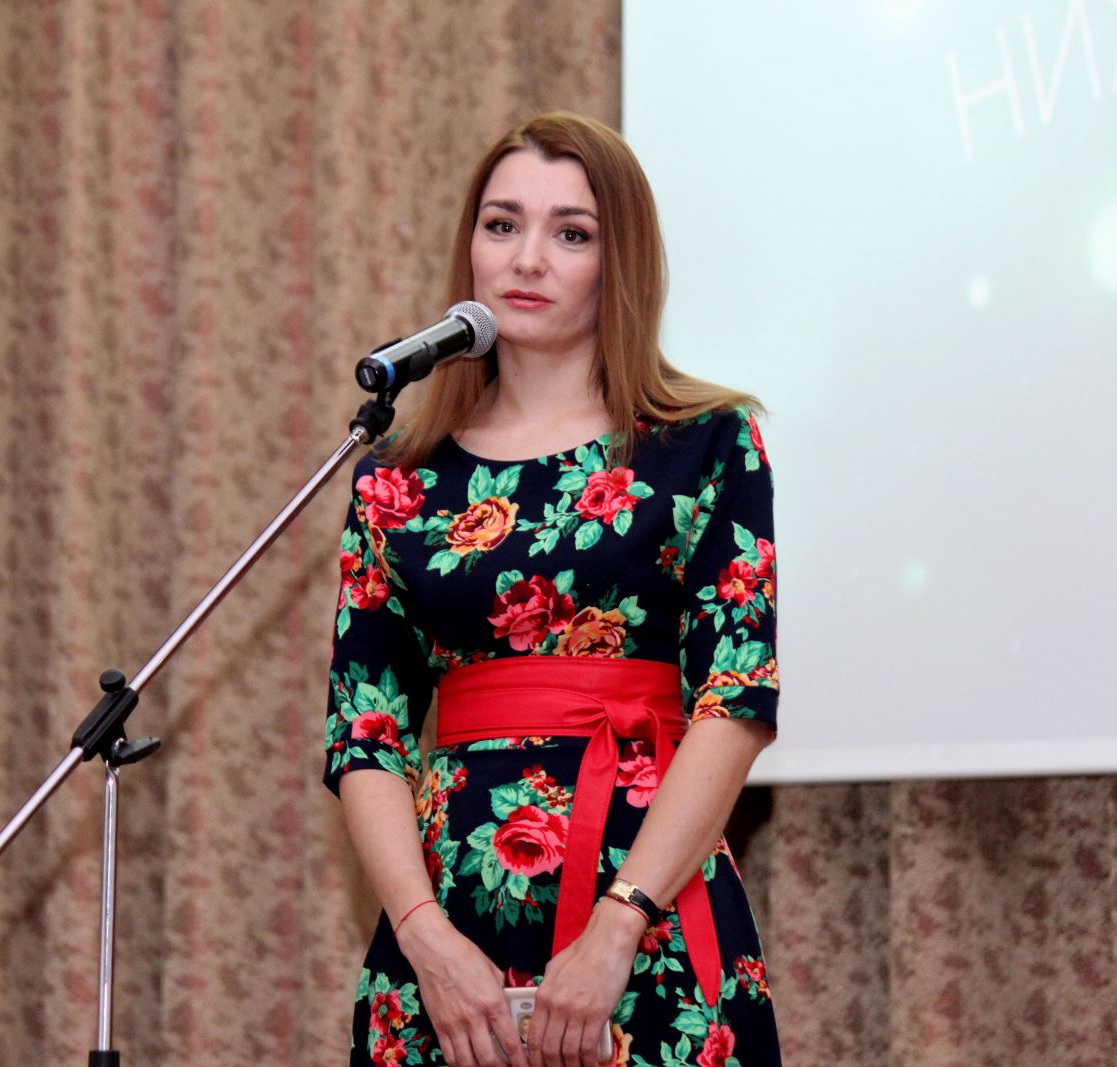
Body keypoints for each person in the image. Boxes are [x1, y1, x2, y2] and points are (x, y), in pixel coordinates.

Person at [325, 113, 780, 1067]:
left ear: (621, 264)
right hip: (447, 950)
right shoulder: (394, 478)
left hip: (648, 921)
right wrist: (425, 939)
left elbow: (735, 701)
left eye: (571, 233)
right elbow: (365, 735)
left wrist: (619, 924)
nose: (527, 258)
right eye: (502, 225)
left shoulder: (707, 442)